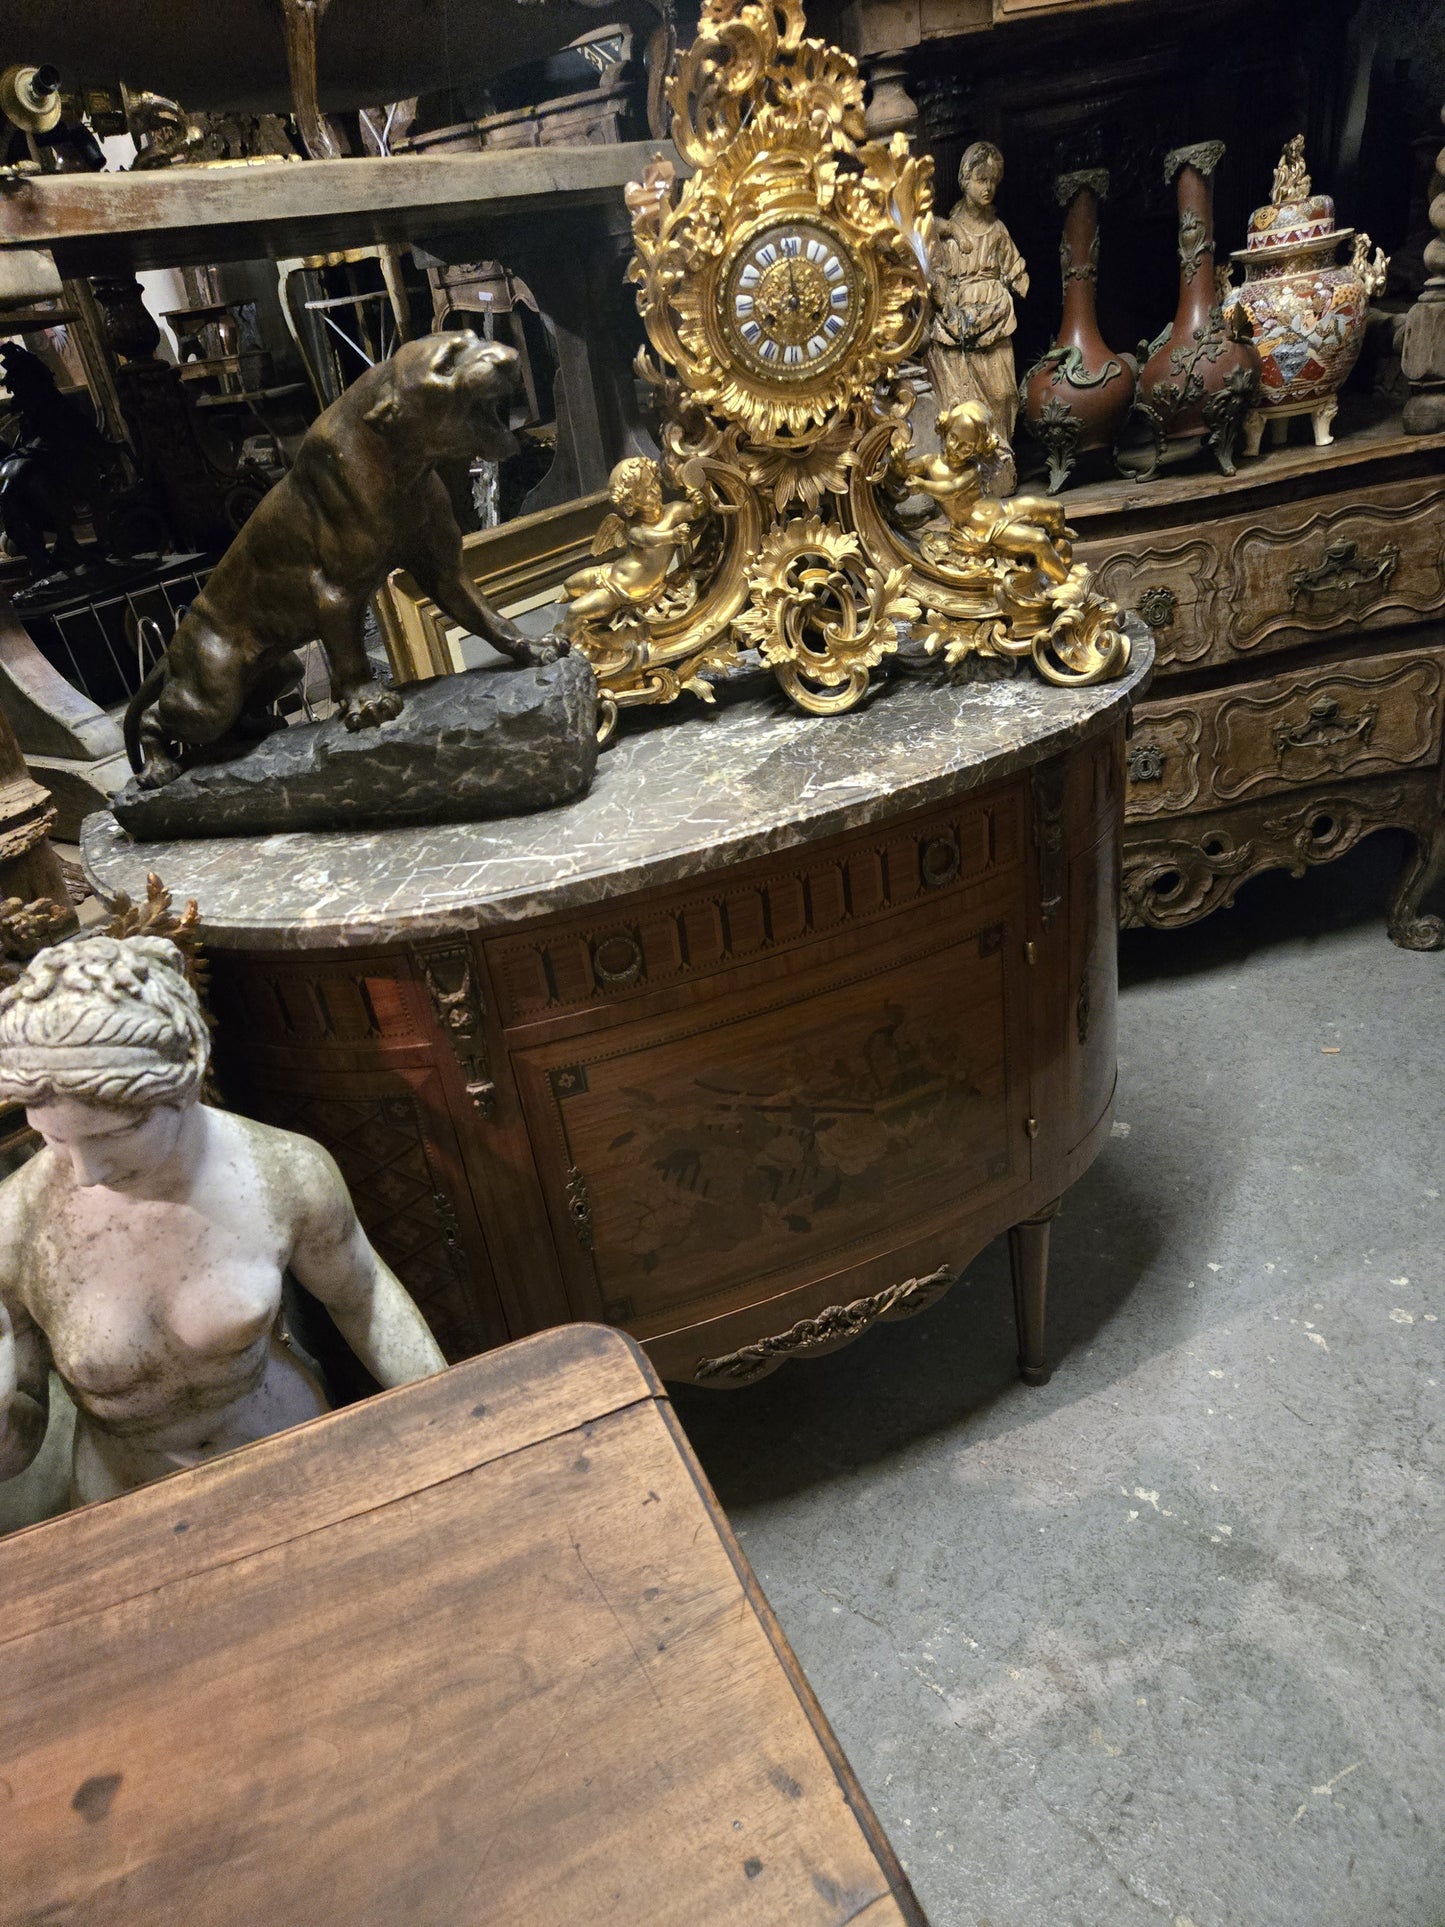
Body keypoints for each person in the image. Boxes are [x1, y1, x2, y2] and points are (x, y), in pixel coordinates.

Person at [0, 935, 446, 1508]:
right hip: (131, 1488)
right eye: (54, 1138)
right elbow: (19, 1450)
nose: (85, 1172)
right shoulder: (16, 1224)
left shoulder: (283, 1171)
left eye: (114, 1136)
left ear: (183, 1086)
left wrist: (446, 1405)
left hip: (286, 1438)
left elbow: (364, 1299)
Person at [928, 141, 1029, 482]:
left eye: (993, 180)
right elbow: (937, 274)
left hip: (996, 316)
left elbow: (1013, 266)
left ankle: (1001, 463)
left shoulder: (998, 230)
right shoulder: (947, 231)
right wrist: (947, 305)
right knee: (963, 399)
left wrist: (1019, 278)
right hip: (960, 323)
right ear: (963, 180)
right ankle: (972, 471)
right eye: (979, 179)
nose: (987, 187)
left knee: (1003, 393)